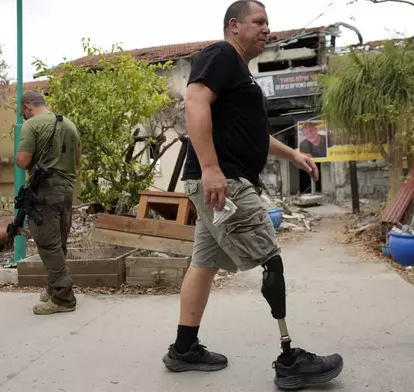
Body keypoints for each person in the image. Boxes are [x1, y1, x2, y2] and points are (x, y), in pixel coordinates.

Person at [161, 1, 344, 389]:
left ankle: (183, 349)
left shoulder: (239, 73)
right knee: (269, 257)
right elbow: (194, 102)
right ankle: (290, 359)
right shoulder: (220, 54)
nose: (267, 30)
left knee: (204, 263)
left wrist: (293, 152)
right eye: (258, 22)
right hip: (223, 181)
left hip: (217, 180)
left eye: (268, 23)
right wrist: (211, 169)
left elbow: (253, 135)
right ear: (233, 26)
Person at [16, 91, 82, 316]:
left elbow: (23, 161)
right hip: (67, 190)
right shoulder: (70, 124)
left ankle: (63, 298)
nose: (24, 116)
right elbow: (77, 160)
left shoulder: (31, 125)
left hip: (45, 190)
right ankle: (54, 287)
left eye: (23, 112)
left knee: (47, 242)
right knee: (59, 241)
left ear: (27, 107)